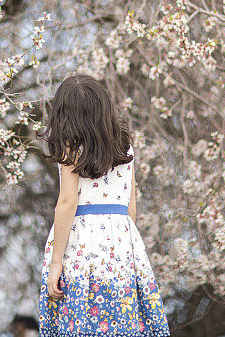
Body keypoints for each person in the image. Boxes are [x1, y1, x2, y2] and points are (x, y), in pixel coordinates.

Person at [36, 74, 171, 336]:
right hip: (122, 244)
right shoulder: (125, 148)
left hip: (82, 247)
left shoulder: (71, 149)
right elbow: (131, 207)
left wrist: (56, 263)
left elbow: (67, 202)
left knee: (80, 319)